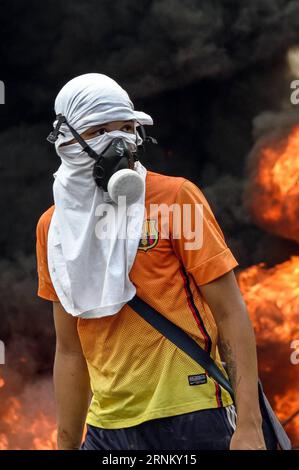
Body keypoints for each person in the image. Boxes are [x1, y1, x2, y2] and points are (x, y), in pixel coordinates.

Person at [36, 73, 276, 450]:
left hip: (194, 417)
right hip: (107, 431)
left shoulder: (177, 199)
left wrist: (249, 426)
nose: (121, 142)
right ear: (67, 141)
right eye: (100, 130)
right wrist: (65, 444)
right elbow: (69, 349)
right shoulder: (53, 229)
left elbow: (230, 313)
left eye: (128, 128)